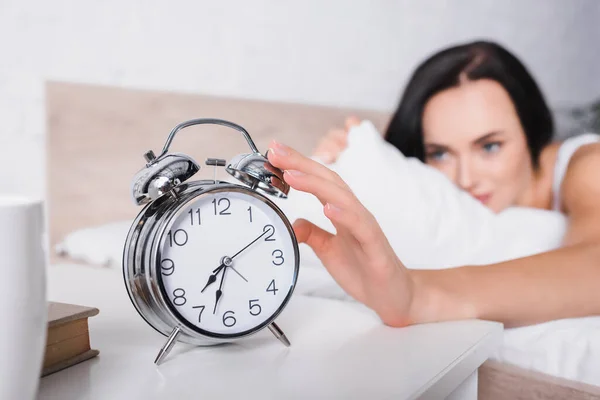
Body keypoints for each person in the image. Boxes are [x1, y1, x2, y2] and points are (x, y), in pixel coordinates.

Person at [266, 40, 600, 328]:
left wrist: (420, 294)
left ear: (532, 134)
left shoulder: (588, 167)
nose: (466, 179)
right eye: (441, 154)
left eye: (490, 146)